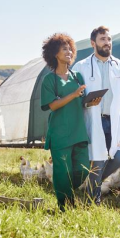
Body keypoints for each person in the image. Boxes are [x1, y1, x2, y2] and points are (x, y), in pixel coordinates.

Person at [73, 26, 120, 205]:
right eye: (103, 39)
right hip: (95, 119)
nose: (107, 43)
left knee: (118, 158)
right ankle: (93, 200)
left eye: (109, 39)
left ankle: (91, 186)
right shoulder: (81, 67)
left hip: (116, 120)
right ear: (93, 43)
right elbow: (75, 96)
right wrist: (86, 102)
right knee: (98, 160)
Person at [40, 33, 100, 210]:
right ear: (54, 53)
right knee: (63, 172)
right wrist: (73, 94)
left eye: (70, 49)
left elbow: (81, 103)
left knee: (82, 170)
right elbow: (53, 105)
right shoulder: (49, 80)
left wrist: (90, 102)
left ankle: (64, 190)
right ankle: (66, 207)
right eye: (63, 48)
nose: (68, 51)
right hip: (60, 133)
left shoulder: (77, 77)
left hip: (78, 131)